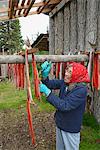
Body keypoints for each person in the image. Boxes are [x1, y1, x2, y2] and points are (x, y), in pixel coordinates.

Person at [39, 61, 90, 150]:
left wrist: (48, 93)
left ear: (76, 74)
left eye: (70, 72)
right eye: (66, 70)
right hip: (61, 123)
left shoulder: (81, 90)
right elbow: (49, 84)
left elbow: (65, 106)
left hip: (70, 127)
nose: (65, 74)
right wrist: (44, 76)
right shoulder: (66, 82)